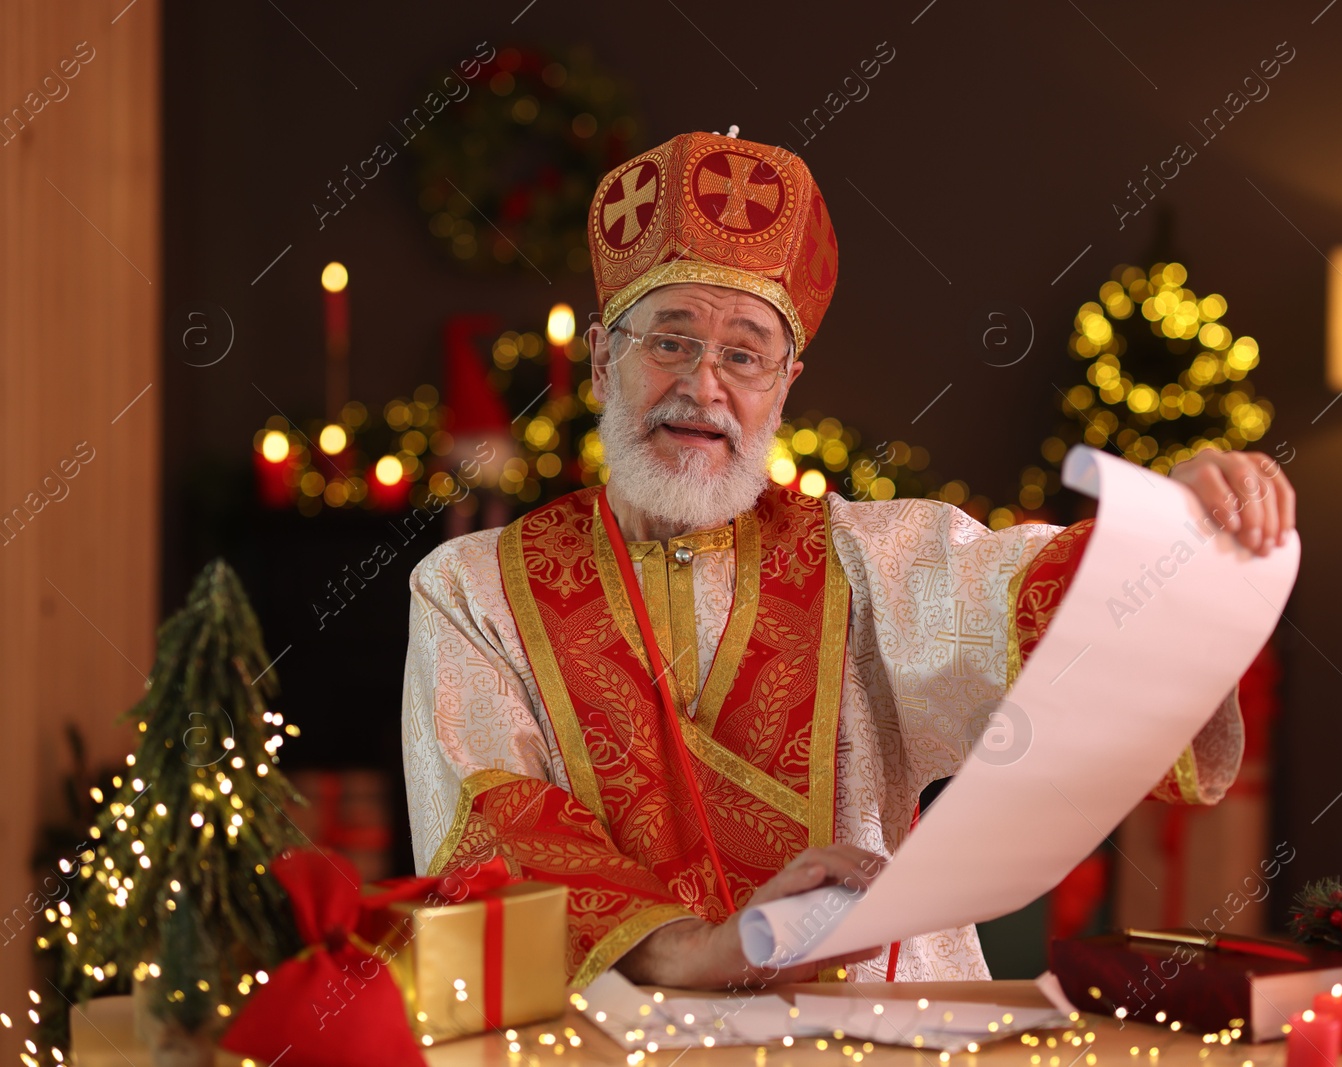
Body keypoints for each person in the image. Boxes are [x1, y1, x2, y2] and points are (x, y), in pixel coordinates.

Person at [401, 131, 1296, 991]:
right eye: (670, 340)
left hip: (880, 1015)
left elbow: (1042, 605)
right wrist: (705, 948)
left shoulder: (879, 560)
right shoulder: (472, 589)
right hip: (620, 1029)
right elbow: (498, 835)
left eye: (744, 354)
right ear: (601, 359)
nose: (703, 385)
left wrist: (1171, 536)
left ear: (785, 385)